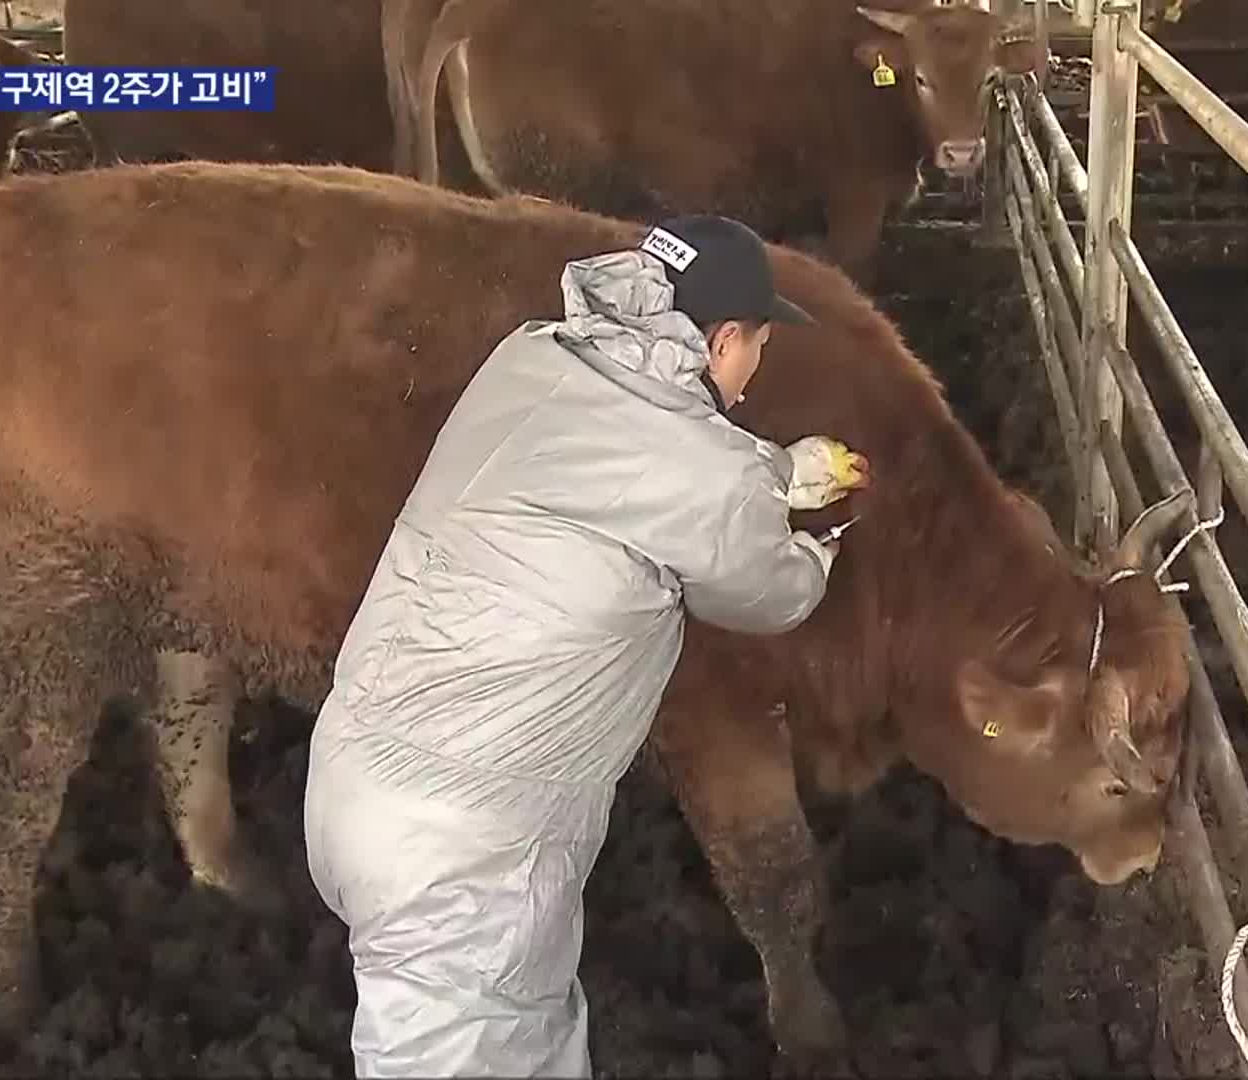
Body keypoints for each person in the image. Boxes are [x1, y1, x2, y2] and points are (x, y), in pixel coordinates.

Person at [302, 214, 868, 1078]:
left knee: (527, 1038)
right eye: (756, 344)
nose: (755, 371)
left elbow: (616, 462)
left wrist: (777, 473)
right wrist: (823, 537)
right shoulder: (709, 474)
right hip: (470, 852)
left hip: (355, 777)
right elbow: (770, 591)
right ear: (722, 341)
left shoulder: (532, 357)